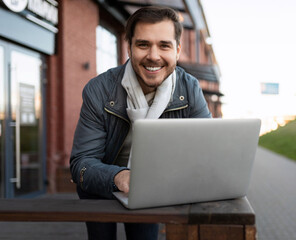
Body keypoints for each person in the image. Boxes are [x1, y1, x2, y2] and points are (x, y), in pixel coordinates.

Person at [70, 6, 211, 240]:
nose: (153, 56)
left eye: (164, 45)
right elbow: (81, 164)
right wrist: (120, 177)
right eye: (143, 44)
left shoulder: (190, 88)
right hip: (100, 186)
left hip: (153, 189)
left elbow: (207, 152)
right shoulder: (99, 89)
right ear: (129, 48)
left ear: (177, 51)